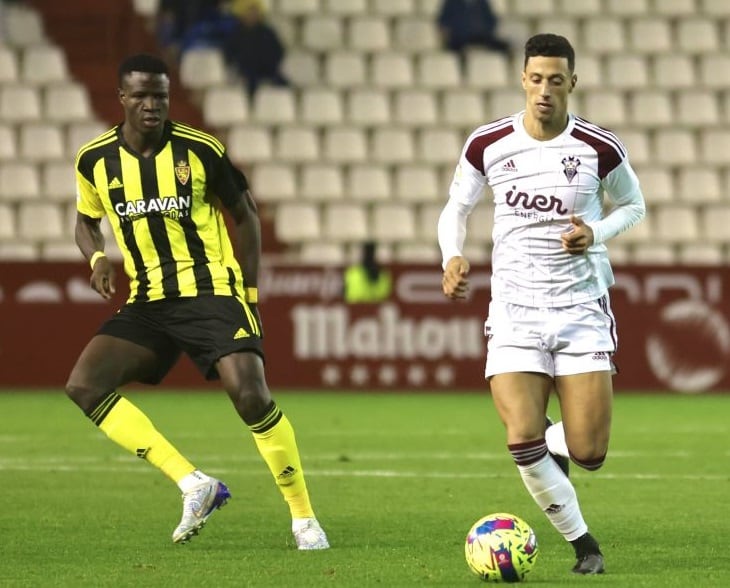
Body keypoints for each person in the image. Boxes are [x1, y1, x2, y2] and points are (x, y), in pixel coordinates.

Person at [66, 53, 329, 550]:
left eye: (160, 97)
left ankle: (303, 518)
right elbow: (85, 219)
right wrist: (97, 256)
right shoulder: (94, 160)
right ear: (122, 97)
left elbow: (246, 215)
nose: (151, 106)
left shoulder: (200, 149)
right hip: (148, 300)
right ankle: (194, 484)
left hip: (212, 292)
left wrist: (248, 294)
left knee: (251, 396)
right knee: (84, 385)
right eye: (141, 96)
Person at [438, 33, 646, 575]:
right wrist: (451, 256)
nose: (545, 90)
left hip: (580, 310)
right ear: (522, 80)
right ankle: (584, 546)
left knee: (589, 454)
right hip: (513, 312)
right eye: (536, 79)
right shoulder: (488, 143)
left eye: (556, 80)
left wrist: (595, 232)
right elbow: (455, 208)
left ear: (572, 83)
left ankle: (562, 440)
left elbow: (634, 205)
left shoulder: (600, 148)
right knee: (520, 438)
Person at [223, 0, 289, 100]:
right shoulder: (235, 35)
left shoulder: (268, 32)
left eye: (255, 11)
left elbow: (278, 53)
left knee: (283, 86)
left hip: (267, 71)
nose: (253, 14)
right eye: (249, 11)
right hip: (245, 72)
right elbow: (229, 56)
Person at [436, 0, 512, 59]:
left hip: (482, 38)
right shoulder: (452, 2)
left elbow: (492, 21)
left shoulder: (482, 2)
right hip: (460, 39)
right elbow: (443, 22)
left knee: (505, 47)